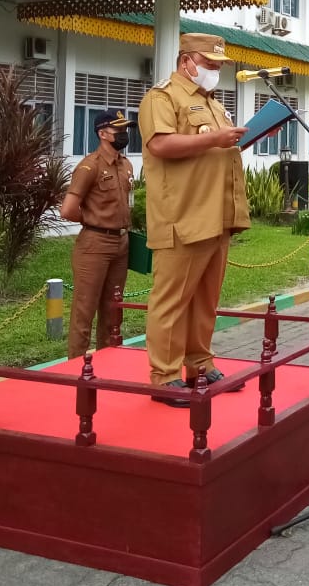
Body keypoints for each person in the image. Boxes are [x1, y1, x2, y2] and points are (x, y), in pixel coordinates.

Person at [138, 33, 249, 406]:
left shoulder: (212, 104)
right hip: (183, 215)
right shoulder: (162, 97)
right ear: (187, 60)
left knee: (205, 298)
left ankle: (199, 362)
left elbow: (217, 147)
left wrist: (242, 136)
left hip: (216, 214)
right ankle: (164, 375)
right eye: (210, 64)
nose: (216, 71)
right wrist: (216, 140)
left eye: (219, 66)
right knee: (171, 300)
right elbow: (161, 144)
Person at [59, 109, 135, 359]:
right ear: (103, 134)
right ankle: (76, 367)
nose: (124, 135)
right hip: (95, 243)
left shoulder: (126, 165)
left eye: (125, 130)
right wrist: (94, 220)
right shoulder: (89, 166)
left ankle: (107, 362)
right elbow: (68, 209)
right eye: (118, 131)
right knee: (85, 310)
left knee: (113, 310)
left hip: (121, 244)